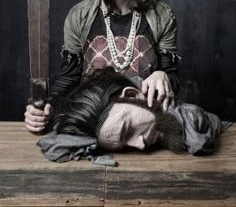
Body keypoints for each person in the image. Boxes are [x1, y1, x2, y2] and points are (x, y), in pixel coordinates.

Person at [25, 0, 180, 133]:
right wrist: (46, 107)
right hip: (90, 121)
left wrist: (163, 75)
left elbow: (173, 79)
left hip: (145, 121)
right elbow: (69, 78)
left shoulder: (161, 14)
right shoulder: (80, 15)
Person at [37, 67, 229, 164]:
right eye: (123, 146)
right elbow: (56, 146)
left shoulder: (162, 103)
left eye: (128, 130)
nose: (140, 144)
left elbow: (200, 139)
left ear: (132, 94)